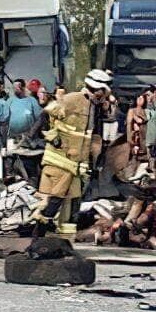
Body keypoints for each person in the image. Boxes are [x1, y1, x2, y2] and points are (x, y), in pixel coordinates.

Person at [34, 69, 111, 230]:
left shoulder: (92, 106)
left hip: (75, 163)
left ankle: (63, 235)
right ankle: (40, 229)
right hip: (60, 159)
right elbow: (45, 116)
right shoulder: (72, 99)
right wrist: (53, 138)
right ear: (97, 89)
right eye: (103, 91)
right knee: (56, 197)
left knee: (72, 198)